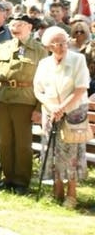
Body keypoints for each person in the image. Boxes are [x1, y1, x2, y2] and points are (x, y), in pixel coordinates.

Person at [33, 27, 90, 209]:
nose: (61, 46)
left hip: (73, 113)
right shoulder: (44, 64)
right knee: (53, 151)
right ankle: (56, 190)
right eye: (57, 43)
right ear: (49, 46)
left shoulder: (78, 59)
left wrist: (63, 108)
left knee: (72, 153)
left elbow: (81, 88)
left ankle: (71, 194)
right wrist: (52, 108)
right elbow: (38, 90)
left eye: (64, 42)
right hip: (51, 112)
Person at [0, 14, 46, 194]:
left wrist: (39, 108)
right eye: (13, 24)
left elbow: (45, 80)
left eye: (20, 24)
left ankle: (21, 181)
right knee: (4, 141)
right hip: (3, 98)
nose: (16, 27)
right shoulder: (3, 47)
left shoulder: (39, 50)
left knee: (22, 143)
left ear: (30, 27)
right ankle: (7, 177)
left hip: (25, 100)